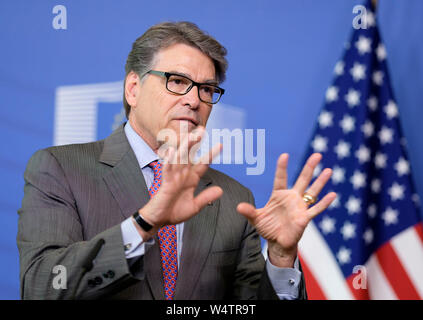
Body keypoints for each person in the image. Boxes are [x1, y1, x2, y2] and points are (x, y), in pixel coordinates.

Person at [17, 21, 336, 300]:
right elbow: (41, 286)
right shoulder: (60, 169)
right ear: (133, 89)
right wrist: (144, 223)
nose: (194, 100)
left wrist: (281, 259)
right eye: (177, 82)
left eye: (207, 89)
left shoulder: (234, 199)